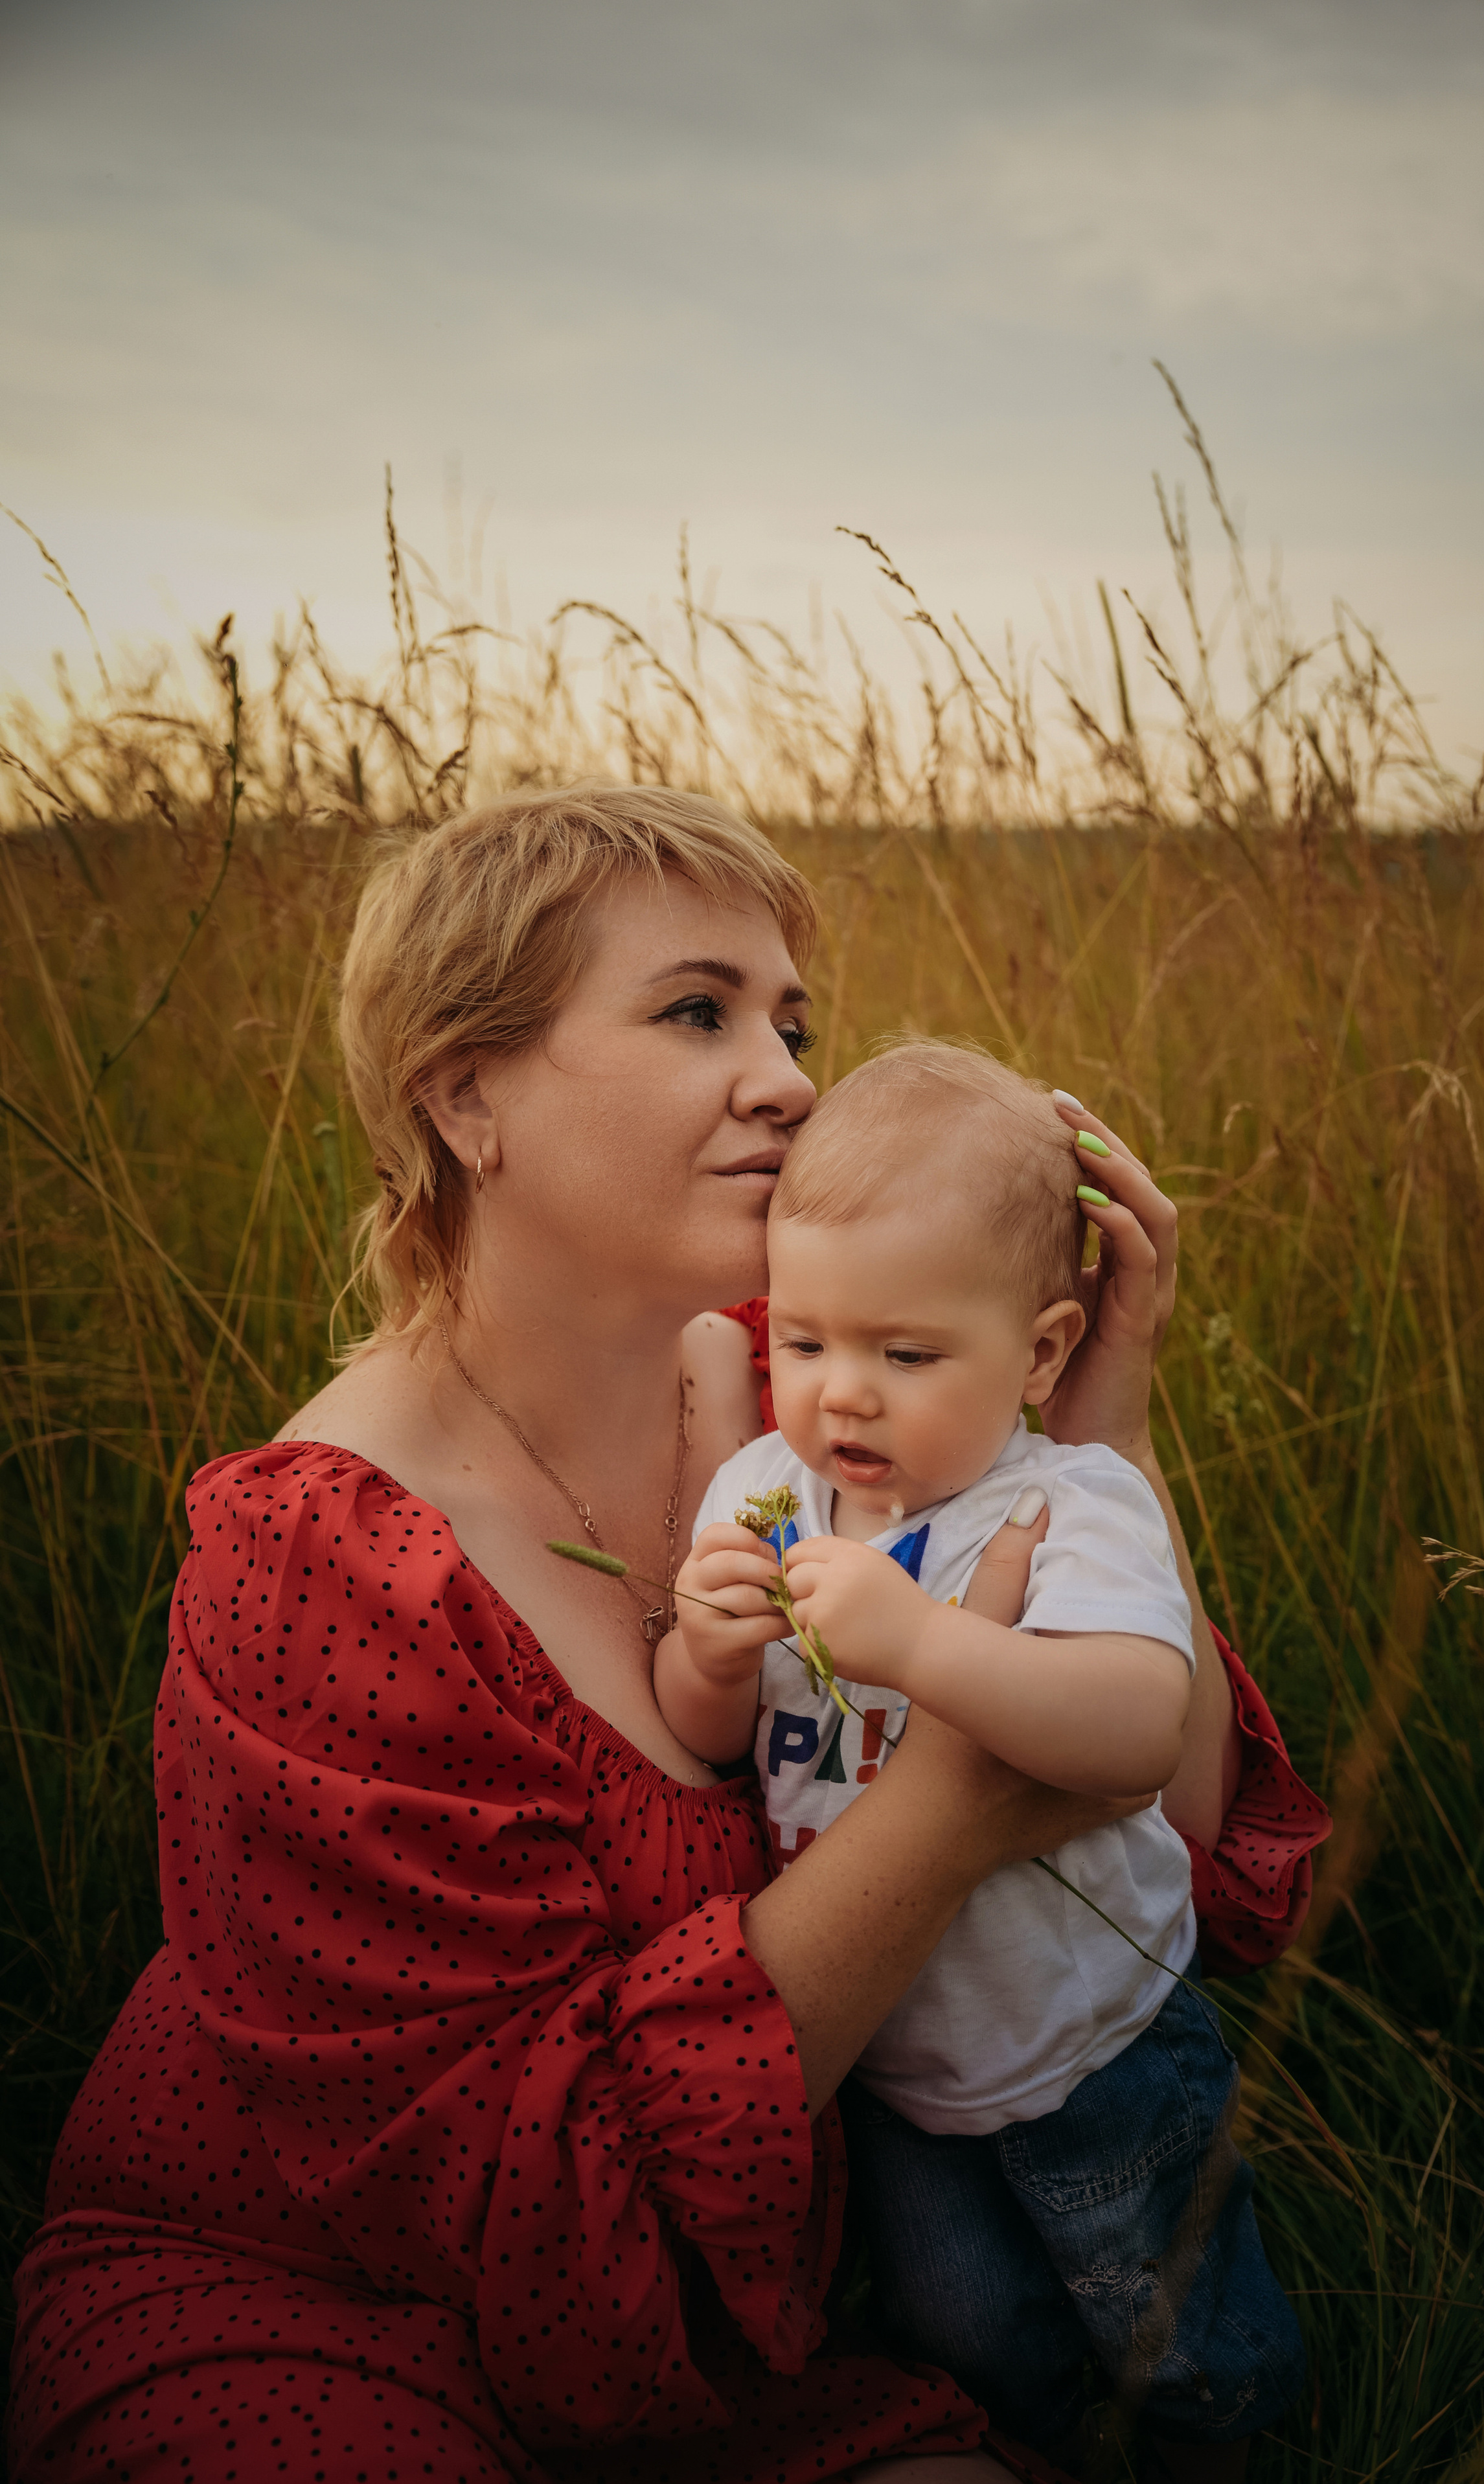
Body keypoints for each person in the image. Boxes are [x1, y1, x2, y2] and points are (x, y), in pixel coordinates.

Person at [5, 788, 1329, 2484]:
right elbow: (525, 2215)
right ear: (465, 1092)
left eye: (793, 1020)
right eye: (697, 1010)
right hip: (324, 2301)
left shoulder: (832, 1378)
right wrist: (951, 1799)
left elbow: (1188, 1831)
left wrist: (1099, 1444)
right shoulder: (310, 1562)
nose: (786, 1075)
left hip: (731, 2316)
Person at [655, 1042, 1305, 2472]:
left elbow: (1138, 1727)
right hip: (900, 2068)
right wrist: (703, 1652)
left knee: (1173, 2327)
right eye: (808, 1339)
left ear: (1044, 1351)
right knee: (972, 2331)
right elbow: (709, 1742)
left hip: (1093, 2042)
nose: (843, 1396)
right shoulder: (761, 1487)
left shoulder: (1070, 1499)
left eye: (907, 1353)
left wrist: (924, 1647)